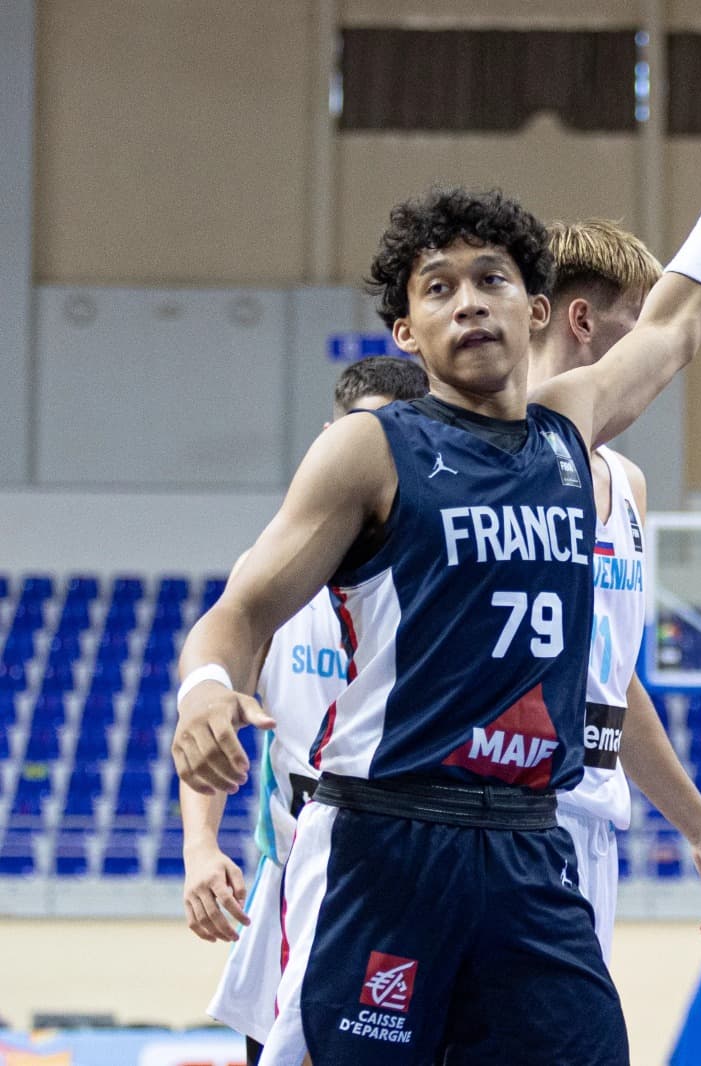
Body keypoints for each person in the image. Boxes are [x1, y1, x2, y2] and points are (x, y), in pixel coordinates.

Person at [171, 67, 701, 1066]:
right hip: (389, 835)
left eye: (491, 280)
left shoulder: (569, 431)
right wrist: (205, 688)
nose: (468, 302)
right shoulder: (372, 451)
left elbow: (677, 322)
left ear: (535, 308)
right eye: (438, 288)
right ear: (406, 331)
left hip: (530, 842)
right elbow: (240, 613)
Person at [179, 356, 429, 1066]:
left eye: (392, 441)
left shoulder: (440, 580)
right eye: (360, 436)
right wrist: (201, 847)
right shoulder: (270, 578)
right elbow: (211, 725)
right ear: (328, 442)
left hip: (407, 875)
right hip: (295, 873)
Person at [534, 217, 701, 958]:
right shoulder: (510, 449)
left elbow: (615, 685)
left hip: (595, 819)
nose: (652, 345)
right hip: (510, 815)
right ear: (583, 321)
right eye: (637, 321)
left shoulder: (628, 484)